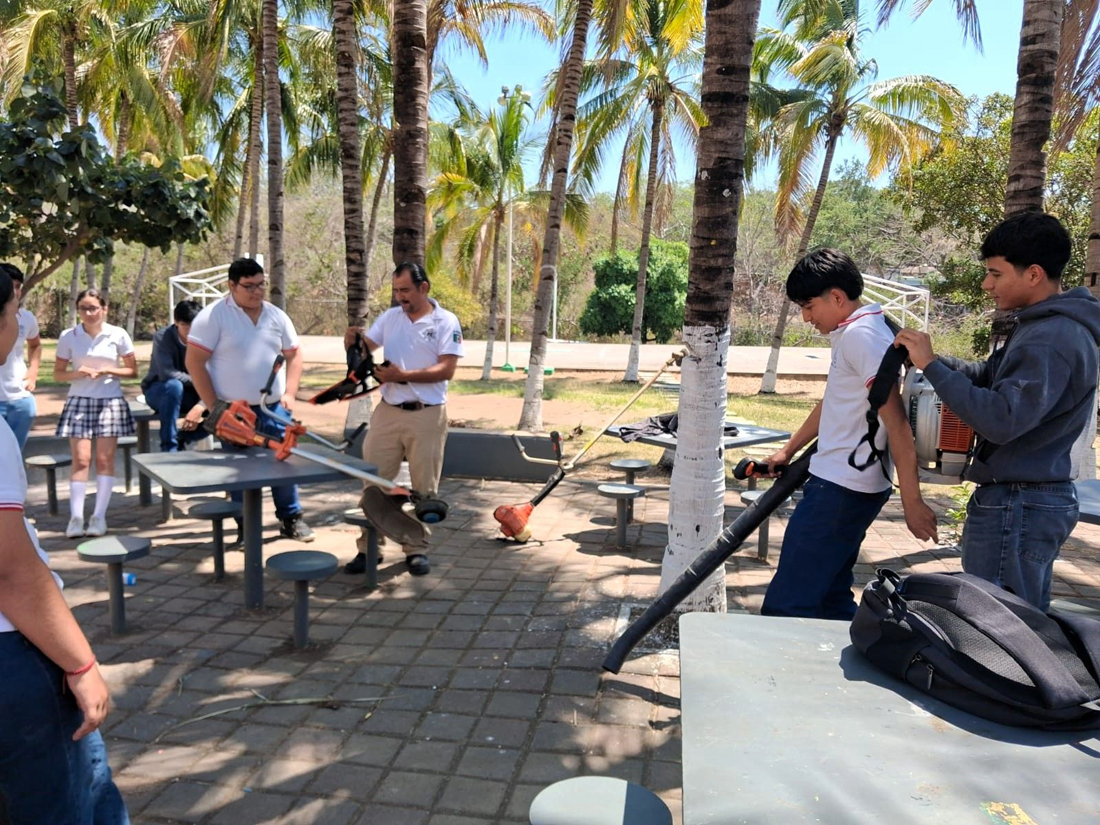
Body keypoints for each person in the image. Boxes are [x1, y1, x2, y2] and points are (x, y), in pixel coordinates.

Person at [895, 212, 1100, 611]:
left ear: (1034, 274)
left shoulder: (1052, 337)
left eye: (995, 274)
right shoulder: (1042, 327)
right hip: (1022, 501)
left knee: (1000, 624)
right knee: (1012, 619)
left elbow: (1001, 419)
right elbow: (990, 376)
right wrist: (932, 360)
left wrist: (932, 366)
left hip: (1019, 503)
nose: (987, 285)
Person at [0, 267, 130, 825]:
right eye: (11, 314)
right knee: (74, 800)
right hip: (13, 652)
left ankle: (93, 516)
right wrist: (80, 664)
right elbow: (11, 573)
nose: (16, 327)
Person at [759, 249, 938, 620]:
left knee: (787, 605)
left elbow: (897, 424)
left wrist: (913, 503)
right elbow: (835, 400)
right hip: (845, 485)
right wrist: (788, 450)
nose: (806, 317)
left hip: (840, 489)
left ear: (837, 297)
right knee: (829, 598)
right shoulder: (861, 329)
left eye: (809, 306)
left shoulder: (862, 337)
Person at [343, 262, 465, 577]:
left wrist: (402, 375)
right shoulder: (390, 318)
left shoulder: (446, 321)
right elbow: (364, 350)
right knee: (374, 485)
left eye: (406, 290)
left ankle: (417, 549)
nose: (400, 297)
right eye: (396, 291)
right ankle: (369, 550)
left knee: (424, 489)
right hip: (387, 412)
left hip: (428, 415)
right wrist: (352, 343)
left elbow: (447, 369)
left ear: (424, 288)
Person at [184, 258, 314, 541]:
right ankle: (246, 527)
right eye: (249, 286)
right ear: (232, 285)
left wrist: (290, 393)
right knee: (239, 472)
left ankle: (291, 519)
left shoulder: (276, 316)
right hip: (234, 412)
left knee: (284, 463)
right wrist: (215, 408)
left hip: (274, 410)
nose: (257, 291)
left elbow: (294, 354)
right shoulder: (212, 317)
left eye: (261, 285)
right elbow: (194, 362)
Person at [54, 289, 138, 539]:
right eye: (83, 308)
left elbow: (132, 371)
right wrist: (78, 373)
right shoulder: (69, 336)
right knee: (81, 460)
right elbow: (58, 373)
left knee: (104, 460)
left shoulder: (118, 334)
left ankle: (99, 517)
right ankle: (76, 518)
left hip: (109, 401)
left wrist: (107, 372)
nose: (89, 313)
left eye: (93, 308)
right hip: (79, 401)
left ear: (104, 309)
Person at [141, 299, 207, 452]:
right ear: (176, 322)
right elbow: (167, 373)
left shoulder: (207, 340)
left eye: (195, 325)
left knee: (225, 403)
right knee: (174, 386)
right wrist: (200, 380)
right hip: (160, 391)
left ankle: (183, 438)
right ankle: (169, 447)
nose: (191, 330)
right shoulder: (163, 337)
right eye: (185, 325)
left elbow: (215, 376)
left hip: (192, 393)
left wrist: (201, 405)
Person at [0, 263, 41, 450]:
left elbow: (35, 345)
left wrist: (33, 372)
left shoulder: (27, 318)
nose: (15, 292)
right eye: (11, 286)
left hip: (20, 400)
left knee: (14, 456)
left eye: (18, 286)